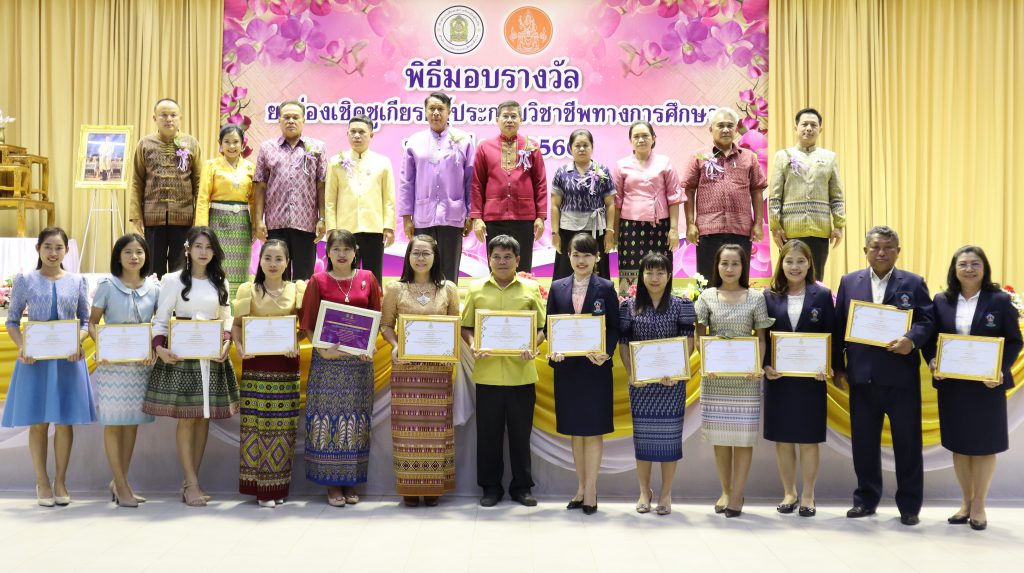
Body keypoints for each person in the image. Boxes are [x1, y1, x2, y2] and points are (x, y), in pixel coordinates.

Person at [833, 225, 934, 526]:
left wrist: (911, 339)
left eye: (888, 247)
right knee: (864, 444)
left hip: (901, 379)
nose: (881, 252)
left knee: (908, 445)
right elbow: (839, 327)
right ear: (865, 250)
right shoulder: (849, 282)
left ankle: (909, 506)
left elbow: (927, 321)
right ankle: (866, 500)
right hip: (862, 378)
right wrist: (839, 367)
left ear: (898, 251)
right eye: (875, 247)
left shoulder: (913, 282)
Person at [923, 246, 1022, 531]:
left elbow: (1014, 341)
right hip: (953, 385)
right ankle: (965, 503)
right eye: (963, 264)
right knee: (960, 446)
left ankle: (979, 504)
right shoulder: (942, 300)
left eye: (975, 264)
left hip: (986, 386)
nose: (969, 269)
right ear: (954, 269)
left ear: (984, 267)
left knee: (984, 446)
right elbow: (930, 339)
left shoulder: (999, 300)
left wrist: (1000, 370)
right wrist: (932, 361)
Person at [142, 226, 237, 507]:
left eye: (208, 247)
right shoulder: (172, 280)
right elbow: (161, 320)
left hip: (211, 357)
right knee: (187, 417)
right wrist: (159, 348)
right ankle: (192, 482)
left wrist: (226, 342)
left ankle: (190, 480)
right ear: (188, 249)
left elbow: (227, 318)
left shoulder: (220, 280)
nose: (203, 252)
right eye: (198, 246)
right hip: (183, 357)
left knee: (203, 418)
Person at [1, 227, 94, 507]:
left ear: (66, 251)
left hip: (67, 361)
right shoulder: (25, 281)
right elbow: (12, 321)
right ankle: (42, 481)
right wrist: (22, 346)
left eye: (59, 248)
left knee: (64, 423)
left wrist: (76, 341)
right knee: (39, 423)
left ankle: (61, 481)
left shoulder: (77, 281)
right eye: (48, 247)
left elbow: (86, 321)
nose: (53, 253)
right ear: (38, 249)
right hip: (35, 362)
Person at [461, 235, 547, 506]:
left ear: (517, 260)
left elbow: (542, 328)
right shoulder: (476, 289)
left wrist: (533, 344)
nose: (501, 261)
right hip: (487, 374)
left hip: (521, 374)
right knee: (488, 435)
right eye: (496, 256)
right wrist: (473, 344)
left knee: (521, 436)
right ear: (488, 259)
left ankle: (522, 487)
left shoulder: (530, 289)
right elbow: (466, 327)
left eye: (507, 257)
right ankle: (490, 488)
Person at [300, 229, 382, 507]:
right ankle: (332, 484)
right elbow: (308, 323)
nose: (342, 254)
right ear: (328, 253)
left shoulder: (367, 278)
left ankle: (351, 480)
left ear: (355, 252)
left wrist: (370, 347)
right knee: (328, 420)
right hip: (328, 364)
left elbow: (376, 317)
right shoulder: (318, 281)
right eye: (336, 249)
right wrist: (322, 350)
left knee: (356, 421)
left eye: (347, 249)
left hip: (359, 365)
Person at [379, 235, 460, 507]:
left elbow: (454, 325)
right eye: (416, 253)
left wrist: (449, 351)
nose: (421, 258)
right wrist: (395, 345)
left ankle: (433, 486)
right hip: (406, 370)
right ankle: (410, 487)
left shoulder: (448, 289)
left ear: (435, 257)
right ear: (408, 257)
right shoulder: (395, 289)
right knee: (407, 430)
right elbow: (386, 325)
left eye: (426, 253)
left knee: (436, 429)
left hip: (438, 371)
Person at [694, 243, 773, 518]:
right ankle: (725, 491)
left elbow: (761, 338)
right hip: (716, 378)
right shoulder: (707, 296)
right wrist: (707, 361)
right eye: (724, 263)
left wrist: (757, 365)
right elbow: (699, 335)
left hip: (746, 378)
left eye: (735, 263)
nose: (729, 269)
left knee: (742, 438)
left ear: (743, 267)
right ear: (716, 266)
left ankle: (738, 494)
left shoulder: (756, 298)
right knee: (721, 438)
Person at [618, 251, 696, 516]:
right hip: (641, 386)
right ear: (641, 276)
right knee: (643, 440)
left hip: (671, 385)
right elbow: (624, 344)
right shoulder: (628, 307)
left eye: (660, 272)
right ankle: (644, 491)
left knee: (670, 440)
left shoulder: (682, 305)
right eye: (649, 272)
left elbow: (688, 342)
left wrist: (677, 371)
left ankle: (666, 492)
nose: (654, 278)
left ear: (669, 275)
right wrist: (632, 374)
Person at [546, 233, 619, 515]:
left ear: (597, 257)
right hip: (568, 370)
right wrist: (553, 350)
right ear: (568, 256)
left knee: (593, 430)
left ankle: (591, 490)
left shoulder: (606, 287)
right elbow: (551, 326)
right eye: (576, 254)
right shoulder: (557, 287)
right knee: (576, 431)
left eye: (587, 254)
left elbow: (614, 327)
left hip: (595, 368)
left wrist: (607, 353)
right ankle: (580, 488)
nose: (581, 260)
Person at [762, 239, 836, 518]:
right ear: (781, 263)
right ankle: (789, 493)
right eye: (789, 261)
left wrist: (828, 366)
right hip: (779, 379)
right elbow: (762, 337)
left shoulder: (822, 294)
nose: (795, 266)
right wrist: (765, 365)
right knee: (783, 440)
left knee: (808, 440)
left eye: (801, 261)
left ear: (809, 264)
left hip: (811, 380)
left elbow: (832, 333)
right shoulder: (769, 296)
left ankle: (808, 495)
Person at [231, 240, 306, 508]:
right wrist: (240, 347)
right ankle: (261, 489)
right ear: (260, 261)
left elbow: (303, 328)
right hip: (256, 368)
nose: (273, 264)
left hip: (286, 367)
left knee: (284, 428)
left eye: (278, 259)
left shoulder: (297, 290)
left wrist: (296, 341)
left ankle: (278, 485)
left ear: (287, 262)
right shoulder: (247, 290)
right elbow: (237, 326)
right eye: (268, 258)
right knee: (256, 426)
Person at [88, 233, 160, 508]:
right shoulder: (107, 286)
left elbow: (160, 325)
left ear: (146, 256)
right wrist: (102, 345)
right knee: (113, 423)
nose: (134, 257)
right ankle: (120, 485)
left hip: (140, 367)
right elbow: (92, 323)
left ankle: (121, 482)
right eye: (128, 252)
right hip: (112, 367)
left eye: (139, 252)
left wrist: (154, 349)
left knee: (131, 424)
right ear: (118, 256)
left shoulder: (154, 289)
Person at [398, 92, 476, 283]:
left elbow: (470, 180)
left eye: (440, 109)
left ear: (449, 112)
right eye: (431, 108)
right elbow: (406, 181)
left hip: (453, 214)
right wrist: (407, 217)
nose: (436, 113)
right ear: (425, 112)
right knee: (422, 269)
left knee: (449, 272)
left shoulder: (463, 140)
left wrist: (471, 214)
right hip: (423, 216)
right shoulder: (415, 142)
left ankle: (448, 302)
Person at [682, 107, 767, 280]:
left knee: (739, 282)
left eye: (730, 125)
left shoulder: (749, 157)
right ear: (711, 129)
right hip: (708, 230)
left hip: (741, 229)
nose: (726, 129)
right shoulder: (698, 156)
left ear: (736, 129)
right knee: (707, 282)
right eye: (720, 125)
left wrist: (758, 223)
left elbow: (757, 190)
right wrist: (690, 224)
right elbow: (689, 191)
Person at [252, 99, 327, 280]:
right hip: (275, 225)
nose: (291, 121)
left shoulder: (317, 148)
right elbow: (260, 186)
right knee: (276, 279)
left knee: (304, 280)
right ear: (279, 120)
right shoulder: (267, 148)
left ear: (303, 120)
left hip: (306, 225)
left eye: (295, 117)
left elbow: (321, 185)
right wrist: (258, 220)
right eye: (286, 117)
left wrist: (323, 218)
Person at [470, 100, 547, 272]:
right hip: (494, 217)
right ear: (497, 120)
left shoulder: (532, 146)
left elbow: (540, 182)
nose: (509, 120)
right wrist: (477, 218)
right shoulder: (484, 147)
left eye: (514, 116)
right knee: (497, 265)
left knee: (523, 266)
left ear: (521, 120)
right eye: (505, 116)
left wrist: (540, 217)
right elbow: (477, 184)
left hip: (524, 217)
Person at [767, 107, 846, 276]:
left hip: (820, 230)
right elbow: (774, 195)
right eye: (804, 124)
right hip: (789, 231)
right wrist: (775, 226)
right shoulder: (783, 156)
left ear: (820, 130)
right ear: (796, 128)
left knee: (816, 278)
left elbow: (836, 196)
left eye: (813, 125)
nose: (809, 128)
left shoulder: (829, 157)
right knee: (791, 277)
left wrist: (839, 225)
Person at [129, 98, 202, 277]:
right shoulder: (145, 144)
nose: (169, 119)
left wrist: (199, 216)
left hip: (184, 218)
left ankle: (179, 296)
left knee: (180, 269)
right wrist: (136, 214)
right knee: (153, 268)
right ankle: (155, 296)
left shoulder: (191, 143)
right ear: (155, 118)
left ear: (180, 117)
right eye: (163, 115)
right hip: (153, 218)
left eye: (173, 115)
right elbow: (137, 181)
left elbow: (199, 182)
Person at [613, 121, 684, 295]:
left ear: (653, 138)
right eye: (636, 136)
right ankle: (627, 307)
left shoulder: (665, 162)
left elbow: (674, 198)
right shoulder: (621, 165)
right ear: (630, 140)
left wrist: (674, 229)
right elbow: (616, 201)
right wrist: (615, 232)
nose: (641, 140)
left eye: (645, 135)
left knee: (659, 270)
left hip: (659, 228)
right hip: (630, 228)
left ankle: (663, 307)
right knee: (630, 271)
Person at [325, 114, 396, 284]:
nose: (357, 136)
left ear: (371, 135)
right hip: (344, 229)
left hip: (374, 228)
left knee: (374, 277)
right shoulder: (336, 162)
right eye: (353, 132)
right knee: (343, 276)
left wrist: (388, 226)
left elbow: (389, 198)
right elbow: (330, 200)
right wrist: (331, 228)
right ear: (347, 134)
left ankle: (374, 302)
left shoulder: (383, 162)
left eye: (362, 132)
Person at [195, 124, 256, 298]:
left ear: (243, 144)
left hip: (242, 224)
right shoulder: (211, 165)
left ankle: (237, 307)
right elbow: (203, 198)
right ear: (220, 143)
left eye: (235, 142)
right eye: (227, 142)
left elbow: (254, 200)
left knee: (240, 267)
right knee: (217, 263)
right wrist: (202, 229)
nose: (231, 146)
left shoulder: (250, 168)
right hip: (218, 221)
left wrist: (254, 225)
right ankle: (216, 304)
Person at [551, 130, 616, 281]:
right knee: (566, 273)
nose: (581, 149)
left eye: (585, 145)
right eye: (577, 145)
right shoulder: (562, 172)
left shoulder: (602, 171)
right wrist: (555, 234)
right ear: (570, 148)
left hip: (596, 230)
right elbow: (555, 205)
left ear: (592, 147)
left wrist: (610, 232)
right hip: (567, 230)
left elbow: (610, 204)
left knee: (598, 273)